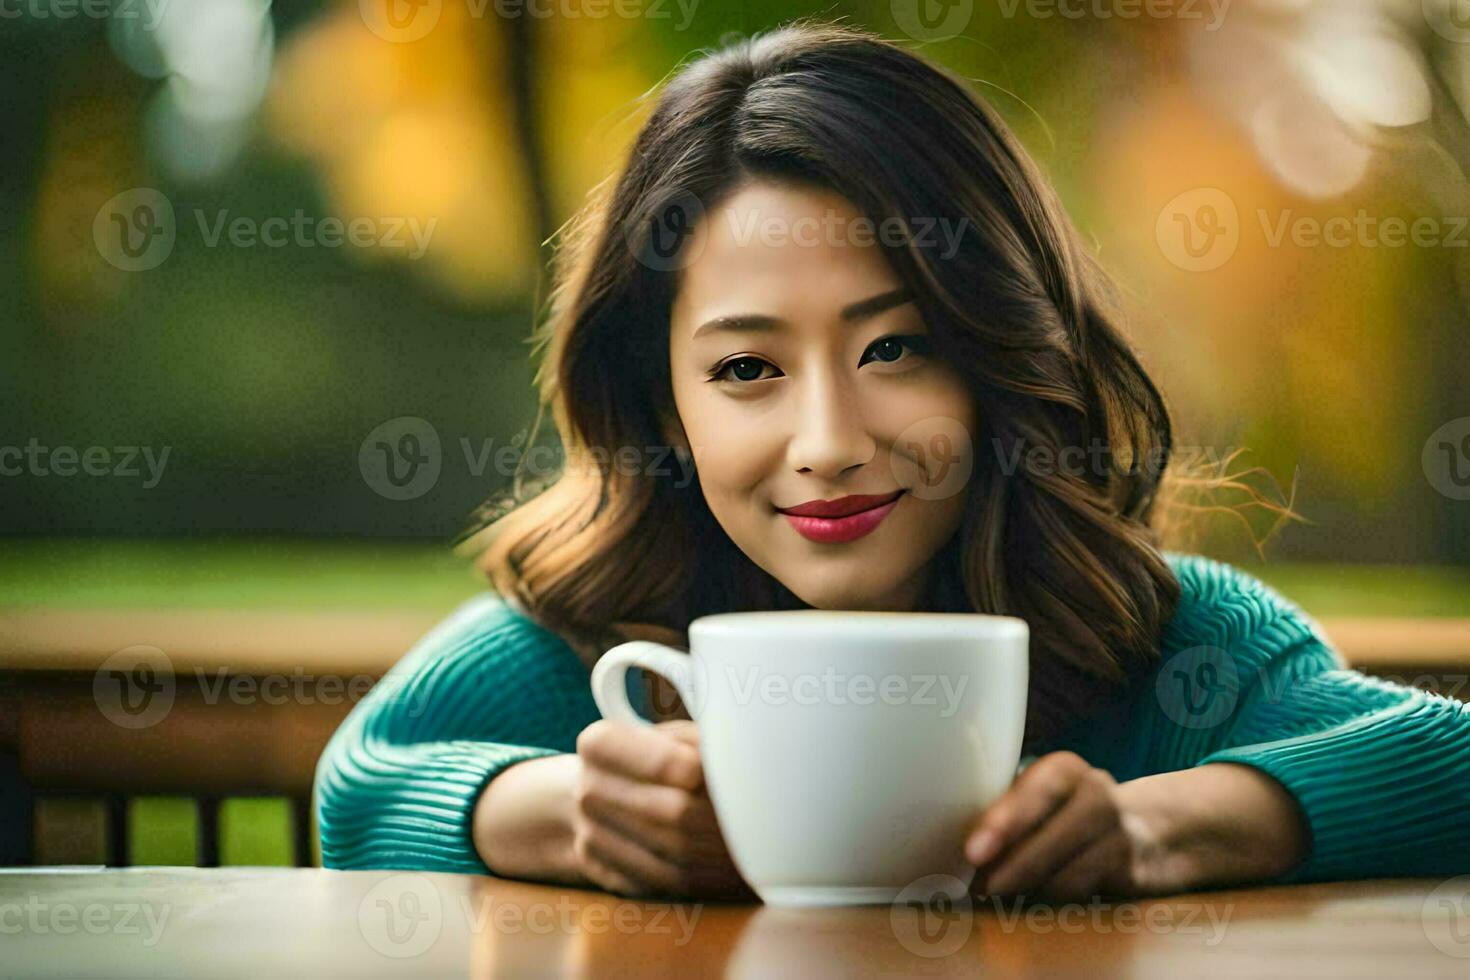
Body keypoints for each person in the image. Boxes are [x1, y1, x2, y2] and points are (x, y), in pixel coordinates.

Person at [314, 20, 1468, 901]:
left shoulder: (1165, 638)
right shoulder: (588, 630)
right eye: (746, 370)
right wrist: (572, 814)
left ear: (996, 357)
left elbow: (1448, 760)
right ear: (661, 406)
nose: (829, 444)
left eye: (897, 346)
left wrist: (1151, 828)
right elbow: (360, 782)